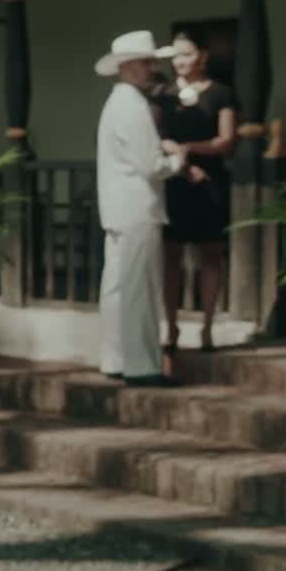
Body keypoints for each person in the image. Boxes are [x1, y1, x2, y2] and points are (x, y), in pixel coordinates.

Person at [94, 30, 194, 388]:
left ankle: (117, 358)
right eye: (145, 62)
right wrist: (178, 160)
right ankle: (142, 366)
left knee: (118, 287)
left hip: (119, 207)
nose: (151, 68)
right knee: (139, 287)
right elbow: (150, 165)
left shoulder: (116, 102)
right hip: (137, 208)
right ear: (127, 66)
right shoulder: (132, 105)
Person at [156, 32, 237, 352]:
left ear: (202, 55)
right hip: (175, 179)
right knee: (171, 255)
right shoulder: (164, 94)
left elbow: (226, 140)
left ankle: (207, 327)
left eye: (187, 54)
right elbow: (158, 135)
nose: (180, 61)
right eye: (176, 55)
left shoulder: (221, 93)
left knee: (211, 254)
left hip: (210, 180)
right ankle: (171, 327)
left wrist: (190, 148)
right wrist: (181, 161)